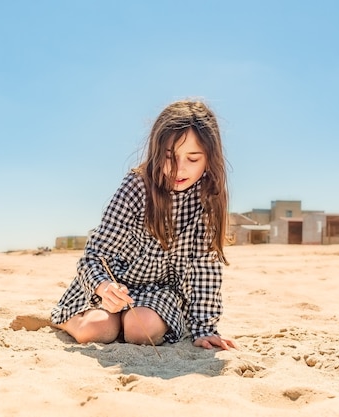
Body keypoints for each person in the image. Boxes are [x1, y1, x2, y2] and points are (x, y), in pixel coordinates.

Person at [51, 99, 237, 350]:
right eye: (170, 157)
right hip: (113, 284)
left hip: (161, 292)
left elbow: (205, 269)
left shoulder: (209, 196)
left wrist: (204, 328)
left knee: (142, 331)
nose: (179, 169)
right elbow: (94, 255)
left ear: (209, 159)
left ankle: (127, 323)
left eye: (193, 159)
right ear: (156, 151)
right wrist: (104, 287)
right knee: (97, 330)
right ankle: (66, 318)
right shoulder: (136, 187)